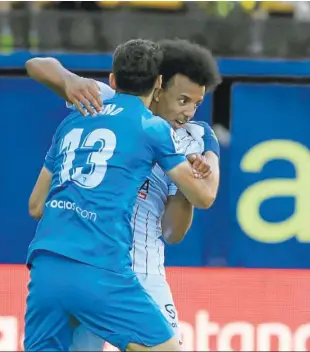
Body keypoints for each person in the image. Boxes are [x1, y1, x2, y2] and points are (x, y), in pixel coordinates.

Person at [24, 38, 218, 352]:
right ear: (160, 85)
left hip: (64, 262)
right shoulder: (108, 104)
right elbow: (37, 65)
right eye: (182, 99)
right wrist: (70, 80)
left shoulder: (81, 116)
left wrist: (195, 173)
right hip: (105, 264)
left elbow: (174, 231)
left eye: (196, 103)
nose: (188, 112)